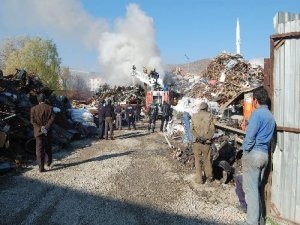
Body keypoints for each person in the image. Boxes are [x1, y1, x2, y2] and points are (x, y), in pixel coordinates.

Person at [239, 88, 275, 225]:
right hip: (265, 155)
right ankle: (259, 220)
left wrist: (245, 151)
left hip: (254, 154)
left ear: (255, 101)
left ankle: (251, 222)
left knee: (250, 191)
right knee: (257, 189)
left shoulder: (257, 114)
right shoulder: (270, 116)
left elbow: (250, 136)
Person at [191, 102, 215, 184]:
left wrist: (198, 137)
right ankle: (209, 177)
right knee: (207, 159)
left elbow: (191, 129)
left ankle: (199, 179)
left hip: (196, 142)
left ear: (200, 108)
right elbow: (212, 130)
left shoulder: (194, 116)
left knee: (197, 160)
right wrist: (206, 138)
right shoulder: (209, 116)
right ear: (206, 108)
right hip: (206, 143)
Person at [30, 93, 55, 172]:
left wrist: (40, 128)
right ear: (45, 100)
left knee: (39, 149)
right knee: (48, 147)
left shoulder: (33, 109)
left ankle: (41, 167)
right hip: (47, 131)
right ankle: (49, 162)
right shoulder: (50, 108)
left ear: (38, 100)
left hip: (38, 132)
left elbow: (32, 121)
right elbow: (52, 119)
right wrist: (45, 128)